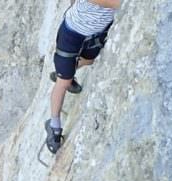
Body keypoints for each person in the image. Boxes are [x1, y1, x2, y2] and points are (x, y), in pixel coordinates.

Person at [45, 0, 122, 154]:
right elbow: (119, 4)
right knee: (63, 83)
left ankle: (68, 72)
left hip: (93, 33)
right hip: (71, 36)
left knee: (90, 60)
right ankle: (54, 127)